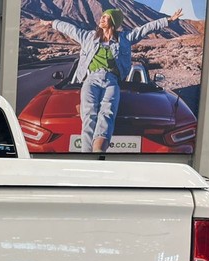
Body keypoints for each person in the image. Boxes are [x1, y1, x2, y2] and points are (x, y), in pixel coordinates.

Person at [42, 8, 182, 153]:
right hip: (91, 80)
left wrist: (168, 20)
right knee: (89, 114)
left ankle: (98, 152)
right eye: (102, 16)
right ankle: (86, 155)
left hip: (112, 81)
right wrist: (51, 23)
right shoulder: (88, 37)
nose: (101, 18)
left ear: (113, 21)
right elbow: (69, 29)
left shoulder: (125, 38)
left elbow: (145, 29)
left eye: (106, 17)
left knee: (107, 114)